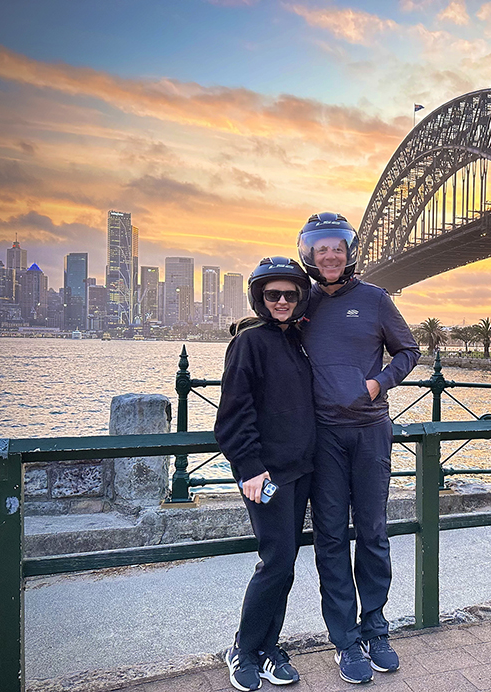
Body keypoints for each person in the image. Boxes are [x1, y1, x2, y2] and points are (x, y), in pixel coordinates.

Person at [297, 212, 421, 684]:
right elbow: (272, 331)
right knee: (330, 537)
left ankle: (376, 628)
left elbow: (409, 351)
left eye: (338, 246)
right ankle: (344, 640)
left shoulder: (375, 299)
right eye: (321, 246)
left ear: (350, 251)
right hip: (323, 435)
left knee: (372, 531)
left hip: (370, 430)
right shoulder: (302, 300)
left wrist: (378, 383)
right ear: (309, 252)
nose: (330, 254)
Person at [214, 256, 315, 691]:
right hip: (266, 473)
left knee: (286, 562)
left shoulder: (295, 339)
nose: (281, 301)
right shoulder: (249, 342)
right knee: (275, 561)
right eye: (272, 294)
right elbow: (233, 413)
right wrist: (250, 468)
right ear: (259, 297)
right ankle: (244, 647)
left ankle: (269, 648)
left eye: (290, 294)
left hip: (300, 470)